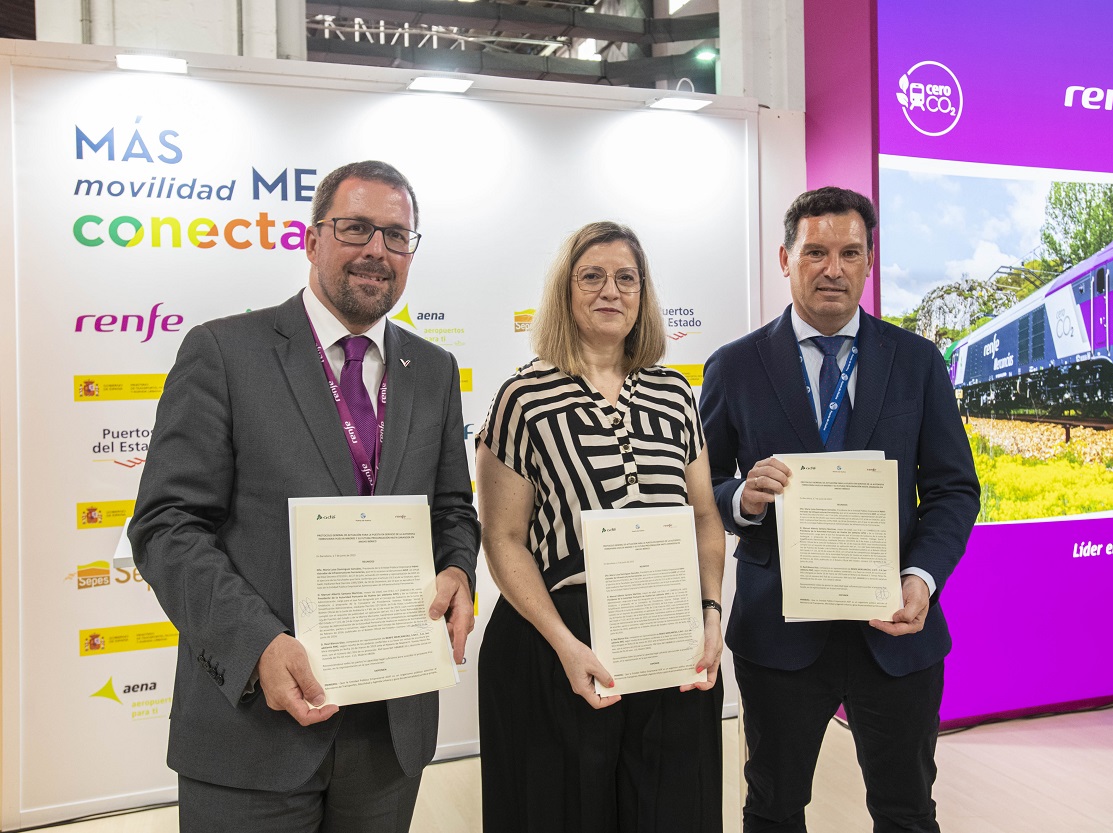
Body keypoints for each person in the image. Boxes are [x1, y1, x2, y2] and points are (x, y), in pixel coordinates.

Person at [128, 160, 480, 832]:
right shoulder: (224, 352)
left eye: (397, 235)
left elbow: (452, 507)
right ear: (311, 239)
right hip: (252, 731)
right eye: (356, 228)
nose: (377, 249)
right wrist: (258, 643)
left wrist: (459, 568)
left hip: (387, 732)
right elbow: (167, 526)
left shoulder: (432, 369)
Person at [699, 186, 980, 832]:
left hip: (896, 632)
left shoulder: (917, 362)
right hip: (779, 638)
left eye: (850, 252)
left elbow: (954, 489)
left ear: (869, 261)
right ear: (784, 257)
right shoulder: (735, 367)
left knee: (907, 810)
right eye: (816, 251)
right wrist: (739, 497)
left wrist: (923, 577)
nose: (834, 268)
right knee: (772, 808)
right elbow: (701, 488)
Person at [475, 221, 725, 832]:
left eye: (626, 279)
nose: (610, 290)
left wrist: (712, 614)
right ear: (566, 291)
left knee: (671, 809)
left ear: (643, 296)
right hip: (558, 640)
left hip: (669, 635)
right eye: (591, 276)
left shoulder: (676, 395)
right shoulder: (521, 397)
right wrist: (565, 642)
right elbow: (503, 538)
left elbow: (706, 517)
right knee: (562, 810)